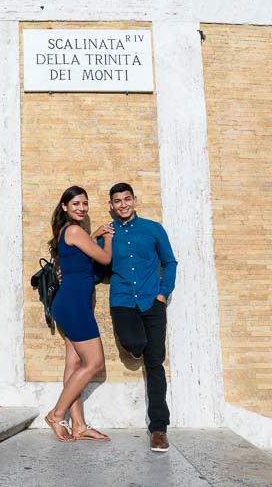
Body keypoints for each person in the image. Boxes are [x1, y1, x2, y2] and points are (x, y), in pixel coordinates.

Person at [99, 182, 177, 452]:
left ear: (134, 200)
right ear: (111, 205)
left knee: (155, 363)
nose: (123, 204)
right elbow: (95, 262)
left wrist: (164, 293)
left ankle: (159, 428)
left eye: (127, 199)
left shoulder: (154, 229)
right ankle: (135, 348)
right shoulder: (107, 234)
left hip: (152, 302)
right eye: (117, 201)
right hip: (122, 301)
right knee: (135, 343)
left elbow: (169, 262)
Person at [44, 185, 114, 443]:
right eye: (76, 204)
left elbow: (82, 255)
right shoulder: (74, 230)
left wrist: (95, 233)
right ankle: (56, 414)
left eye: (85, 203)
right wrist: (108, 235)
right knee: (94, 363)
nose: (82, 208)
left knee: (74, 364)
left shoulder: (69, 232)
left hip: (70, 303)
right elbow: (105, 259)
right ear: (64, 207)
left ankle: (80, 426)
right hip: (73, 304)